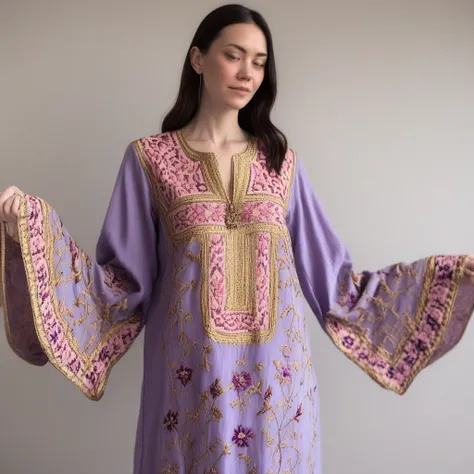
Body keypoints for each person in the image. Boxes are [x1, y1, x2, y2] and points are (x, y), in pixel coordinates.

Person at [1, 4, 474, 474]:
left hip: (279, 392)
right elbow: (119, 286)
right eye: (234, 55)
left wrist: (451, 277)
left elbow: (338, 287)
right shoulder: (149, 161)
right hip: (188, 389)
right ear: (197, 59)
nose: (248, 72)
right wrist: (32, 228)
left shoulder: (281, 165)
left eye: (260, 62)